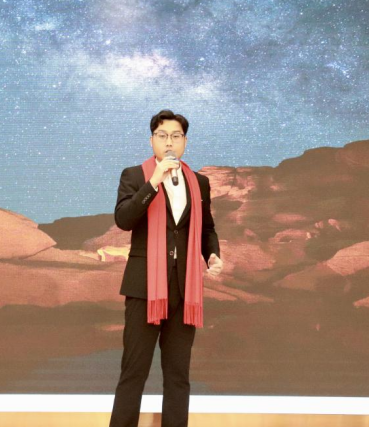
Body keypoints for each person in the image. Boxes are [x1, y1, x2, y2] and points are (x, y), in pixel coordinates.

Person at [109, 109, 223, 427]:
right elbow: (124, 219)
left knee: (178, 377)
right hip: (144, 288)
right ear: (152, 141)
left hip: (184, 292)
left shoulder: (199, 183)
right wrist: (154, 182)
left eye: (176, 136)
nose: (169, 142)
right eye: (162, 136)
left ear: (185, 142)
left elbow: (207, 228)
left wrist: (212, 254)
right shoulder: (134, 176)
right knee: (134, 372)